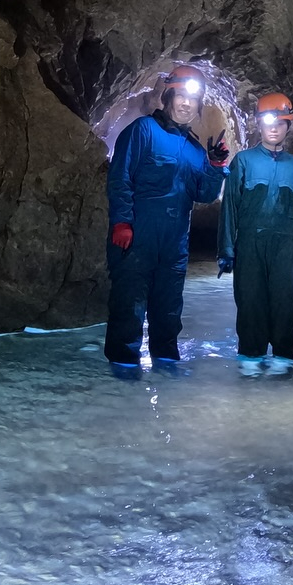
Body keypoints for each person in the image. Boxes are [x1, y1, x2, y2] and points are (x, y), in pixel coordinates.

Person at [104, 63, 230, 369]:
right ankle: (122, 375)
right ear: (169, 97)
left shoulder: (195, 150)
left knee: (169, 311)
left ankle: (166, 370)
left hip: (175, 244)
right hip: (136, 237)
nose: (187, 104)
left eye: (193, 99)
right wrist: (122, 221)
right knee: (129, 309)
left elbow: (204, 195)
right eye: (181, 96)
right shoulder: (142, 131)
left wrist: (214, 168)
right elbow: (120, 177)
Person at [217, 92, 293, 374]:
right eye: (268, 121)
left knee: (284, 303)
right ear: (259, 123)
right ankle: (250, 358)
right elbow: (229, 209)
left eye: (281, 122)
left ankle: (283, 359)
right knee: (250, 303)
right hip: (249, 246)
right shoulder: (243, 162)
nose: (274, 127)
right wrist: (226, 250)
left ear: (288, 126)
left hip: (284, 247)